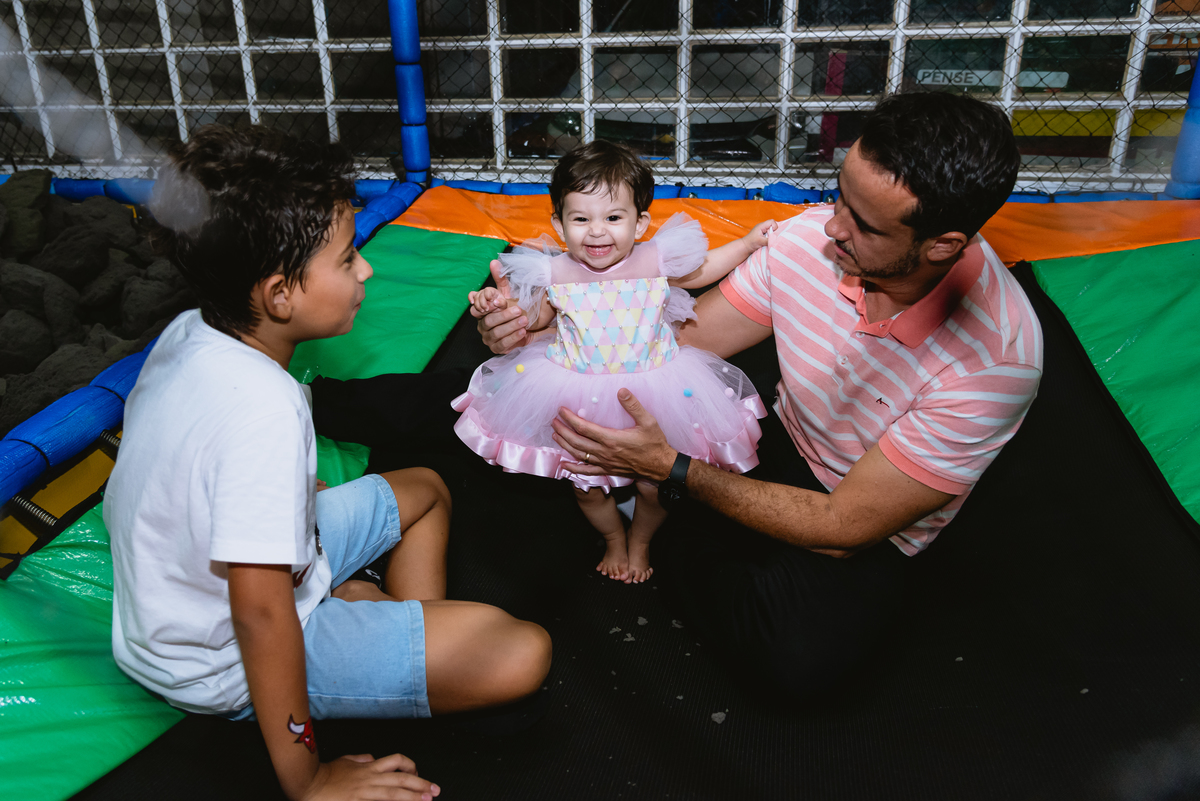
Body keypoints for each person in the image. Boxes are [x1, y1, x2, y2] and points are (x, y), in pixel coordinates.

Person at [477, 92, 1043, 700]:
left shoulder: (997, 359)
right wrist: (535, 330)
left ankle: (669, 534)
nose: (832, 227)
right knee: (507, 431)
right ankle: (665, 524)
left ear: (942, 244)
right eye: (838, 197)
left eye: (865, 224)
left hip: (856, 508)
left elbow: (843, 526)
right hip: (776, 441)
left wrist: (669, 468)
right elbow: (675, 338)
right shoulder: (809, 242)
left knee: (798, 663)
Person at [105, 125, 552, 801]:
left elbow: (189, 479)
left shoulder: (193, 330)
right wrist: (309, 779)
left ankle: (396, 642)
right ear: (280, 293)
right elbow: (260, 615)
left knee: (424, 490)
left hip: (202, 595)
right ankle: (384, 660)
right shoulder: (264, 408)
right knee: (523, 652)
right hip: (221, 656)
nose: (365, 269)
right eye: (347, 260)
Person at [452, 140, 775, 583]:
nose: (597, 232)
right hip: (578, 394)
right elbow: (530, 316)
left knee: (656, 485)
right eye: (581, 218)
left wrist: (746, 243)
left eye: (613, 218)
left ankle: (640, 540)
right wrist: (498, 305)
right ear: (558, 222)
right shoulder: (554, 271)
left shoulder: (655, 258)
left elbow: (703, 269)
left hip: (658, 390)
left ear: (640, 222)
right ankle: (613, 540)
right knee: (587, 485)